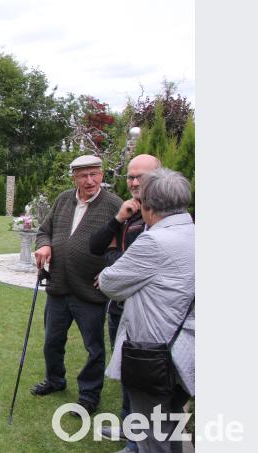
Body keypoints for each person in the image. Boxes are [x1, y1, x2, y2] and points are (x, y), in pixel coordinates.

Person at [98, 168, 194, 453]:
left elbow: (109, 283)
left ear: (148, 206)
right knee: (171, 423)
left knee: (153, 437)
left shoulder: (153, 241)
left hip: (154, 354)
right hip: (186, 351)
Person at [30, 154, 122, 416]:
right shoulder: (63, 199)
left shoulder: (113, 205)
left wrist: (110, 271)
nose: (90, 180)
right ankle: (55, 380)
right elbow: (44, 230)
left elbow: (124, 247)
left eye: (95, 174)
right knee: (52, 341)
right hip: (58, 286)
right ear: (75, 177)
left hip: (90, 290)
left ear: (102, 175)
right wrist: (44, 245)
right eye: (84, 175)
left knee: (94, 347)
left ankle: (89, 395)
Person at [89, 154, 161, 452]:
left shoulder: (162, 219)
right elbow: (97, 246)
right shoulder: (129, 214)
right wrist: (118, 218)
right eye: (130, 176)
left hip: (147, 314)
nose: (133, 182)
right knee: (127, 373)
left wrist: (112, 266)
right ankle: (128, 425)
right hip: (120, 309)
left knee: (145, 379)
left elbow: (132, 265)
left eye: (140, 177)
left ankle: (138, 443)